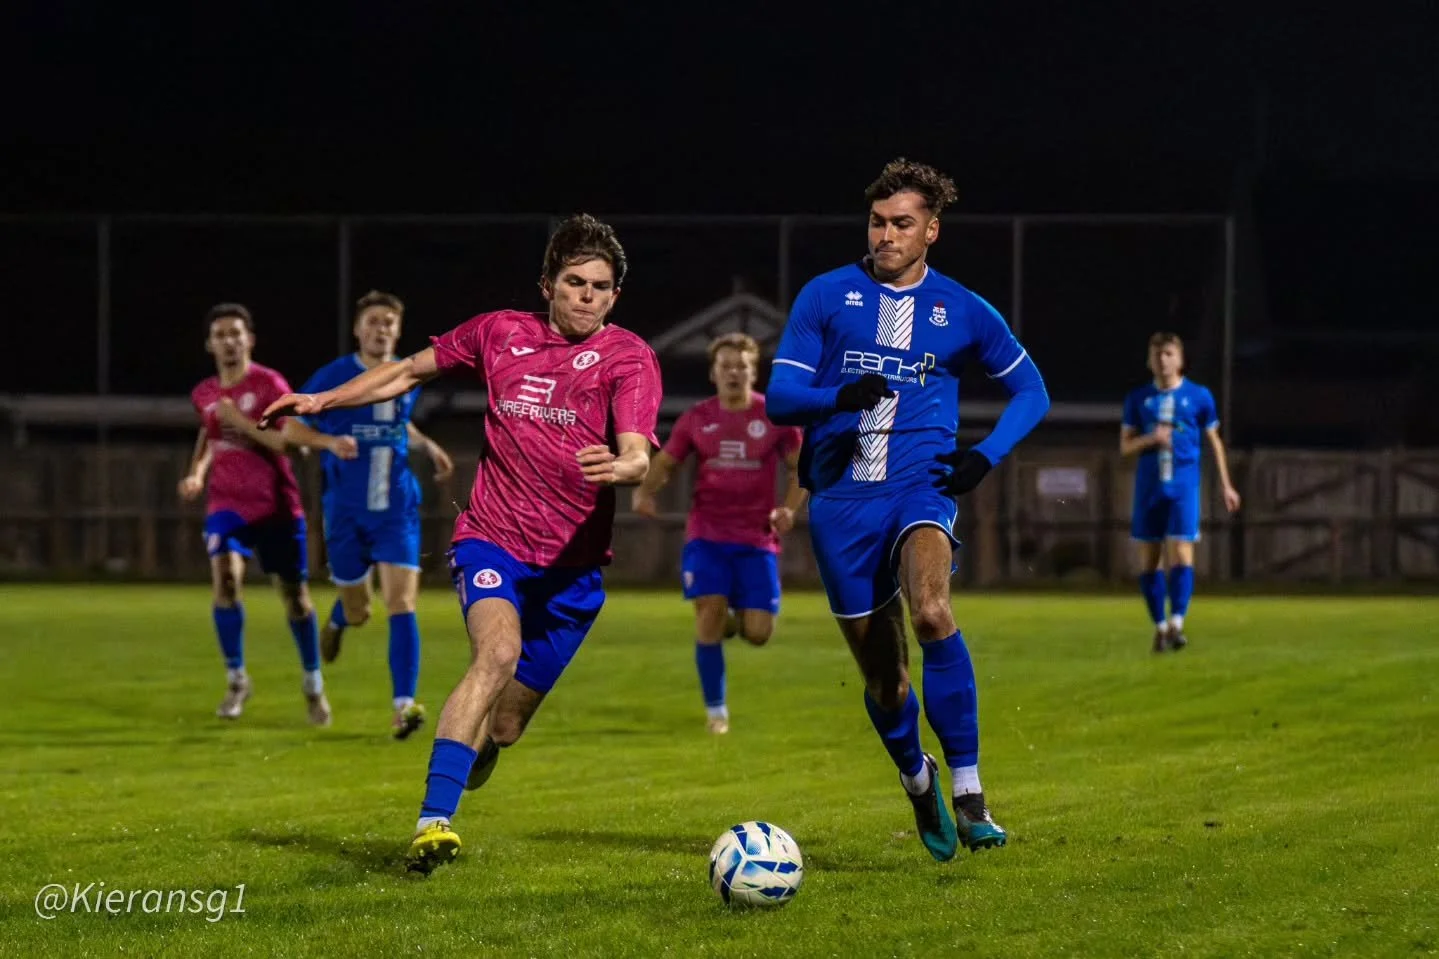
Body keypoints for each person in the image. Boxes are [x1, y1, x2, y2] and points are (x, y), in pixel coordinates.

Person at [257, 215, 662, 875]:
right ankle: (431, 822)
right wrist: (322, 400)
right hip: (492, 540)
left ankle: (475, 750)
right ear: (547, 284)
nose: (587, 295)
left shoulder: (628, 356)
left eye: (600, 286)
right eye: (574, 282)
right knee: (495, 652)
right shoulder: (500, 332)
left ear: (614, 296)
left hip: (572, 573)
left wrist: (625, 465)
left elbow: (638, 449)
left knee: (504, 726)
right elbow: (405, 371)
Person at [765, 158, 1050, 862]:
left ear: (931, 230)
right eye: (876, 222)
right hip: (840, 500)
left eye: (901, 223)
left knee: (931, 612)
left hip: (921, 486)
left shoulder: (964, 309)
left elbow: (1032, 391)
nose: (885, 235)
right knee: (886, 681)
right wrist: (837, 397)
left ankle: (970, 791)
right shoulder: (826, 295)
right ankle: (917, 778)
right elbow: (781, 399)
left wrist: (985, 456)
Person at [179, 302, 357, 724]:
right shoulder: (204, 393)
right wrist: (196, 473)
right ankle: (236, 679)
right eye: (220, 334)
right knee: (225, 579)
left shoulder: (268, 384)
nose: (229, 341)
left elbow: (285, 443)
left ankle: (313, 683)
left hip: (276, 506)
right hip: (227, 503)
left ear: (250, 340)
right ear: (209, 344)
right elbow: (208, 433)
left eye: (235, 333)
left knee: (295, 599)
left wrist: (240, 421)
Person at [295, 290, 456, 739]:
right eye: (373, 321)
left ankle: (404, 707)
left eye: (388, 321)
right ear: (357, 329)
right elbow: (292, 425)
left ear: (398, 330)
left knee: (402, 603)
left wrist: (429, 445)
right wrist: (328, 443)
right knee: (361, 610)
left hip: (396, 509)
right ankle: (338, 620)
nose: (381, 328)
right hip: (346, 512)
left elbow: (397, 422)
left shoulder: (406, 374)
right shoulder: (334, 376)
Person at [631, 332, 806, 735]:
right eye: (726, 366)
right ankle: (717, 713)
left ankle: (731, 616)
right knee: (708, 613)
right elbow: (665, 463)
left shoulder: (775, 416)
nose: (733, 373)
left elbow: (801, 468)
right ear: (713, 373)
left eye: (741, 366)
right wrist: (643, 492)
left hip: (757, 538)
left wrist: (789, 508)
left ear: (754, 372)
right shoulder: (697, 418)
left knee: (758, 634)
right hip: (707, 534)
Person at [1120, 332, 1241, 652]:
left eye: (1169, 354)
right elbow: (1125, 447)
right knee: (1150, 561)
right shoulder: (1138, 399)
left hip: (1184, 487)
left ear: (1180, 359)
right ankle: (1160, 627)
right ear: (1149, 360)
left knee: (1182, 553)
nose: (1163, 360)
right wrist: (1151, 439)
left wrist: (1227, 485)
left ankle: (1177, 623)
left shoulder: (1199, 396)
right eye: (1157, 355)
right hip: (1149, 488)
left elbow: (1214, 441)